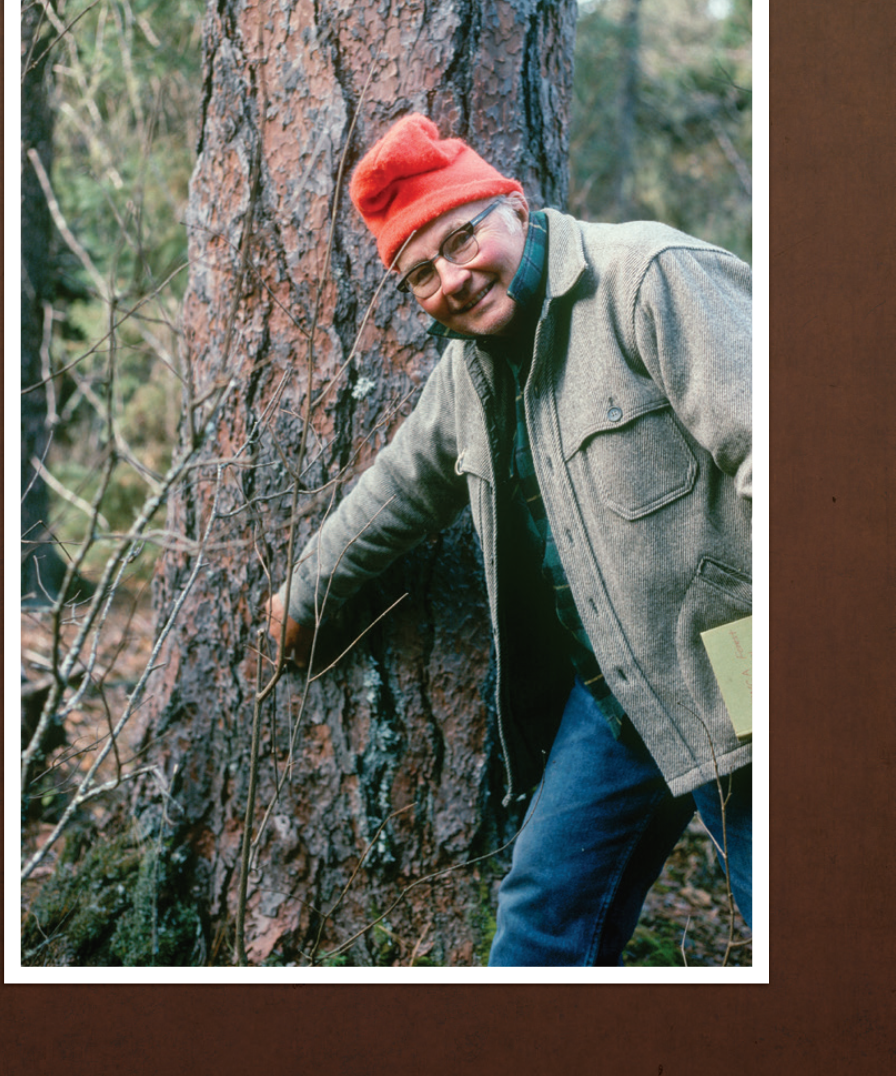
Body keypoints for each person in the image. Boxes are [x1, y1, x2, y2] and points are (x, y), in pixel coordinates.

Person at [269, 112, 753, 966]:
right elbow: (396, 488)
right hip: (617, 686)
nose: (451, 280)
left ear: (514, 207)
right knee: (539, 919)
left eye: (461, 240)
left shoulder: (647, 276)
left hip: (741, 653)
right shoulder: (469, 374)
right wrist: (306, 594)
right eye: (421, 274)